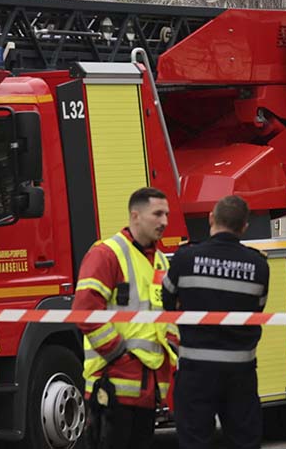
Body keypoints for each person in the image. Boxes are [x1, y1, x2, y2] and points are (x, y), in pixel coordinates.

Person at [73, 187, 178, 449]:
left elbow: (168, 316)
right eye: (157, 214)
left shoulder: (162, 262)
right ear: (136, 216)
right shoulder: (106, 254)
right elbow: (85, 311)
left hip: (148, 388)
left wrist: (173, 353)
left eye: (166, 214)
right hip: (112, 386)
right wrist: (117, 353)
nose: (164, 221)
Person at [163, 195, 270, 449]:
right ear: (245, 226)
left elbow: (167, 303)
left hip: (196, 371)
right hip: (240, 374)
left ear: (211, 218)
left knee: (195, 441)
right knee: (244, 441)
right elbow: (258, 307)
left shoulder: (185, 258)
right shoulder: (258, 265)